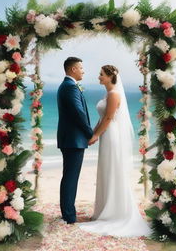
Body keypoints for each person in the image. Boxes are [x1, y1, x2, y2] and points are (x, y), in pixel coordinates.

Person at [77, 65, 151, 237]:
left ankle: (113, 212)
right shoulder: (108, 94)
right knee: (107, 170)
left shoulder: (113, 94)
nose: (98, 77)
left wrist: (96, 134)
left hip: (111, 136)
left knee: (112, 170)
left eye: (101, 74)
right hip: (106, 134)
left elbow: (109, 118)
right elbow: (103, 118)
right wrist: (92, 133)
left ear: (110, 77)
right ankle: (105, 208)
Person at [57, 57, 94, 224]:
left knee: (69, 176)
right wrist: (89, 133)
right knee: (71, 177)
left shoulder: (67, 86)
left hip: (71, 139)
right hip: (73, 139)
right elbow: (78, 113)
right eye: (81, 67)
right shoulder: (70, 87)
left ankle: (68, 213)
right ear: (73, 70)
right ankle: (69, 216)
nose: (83, 70)